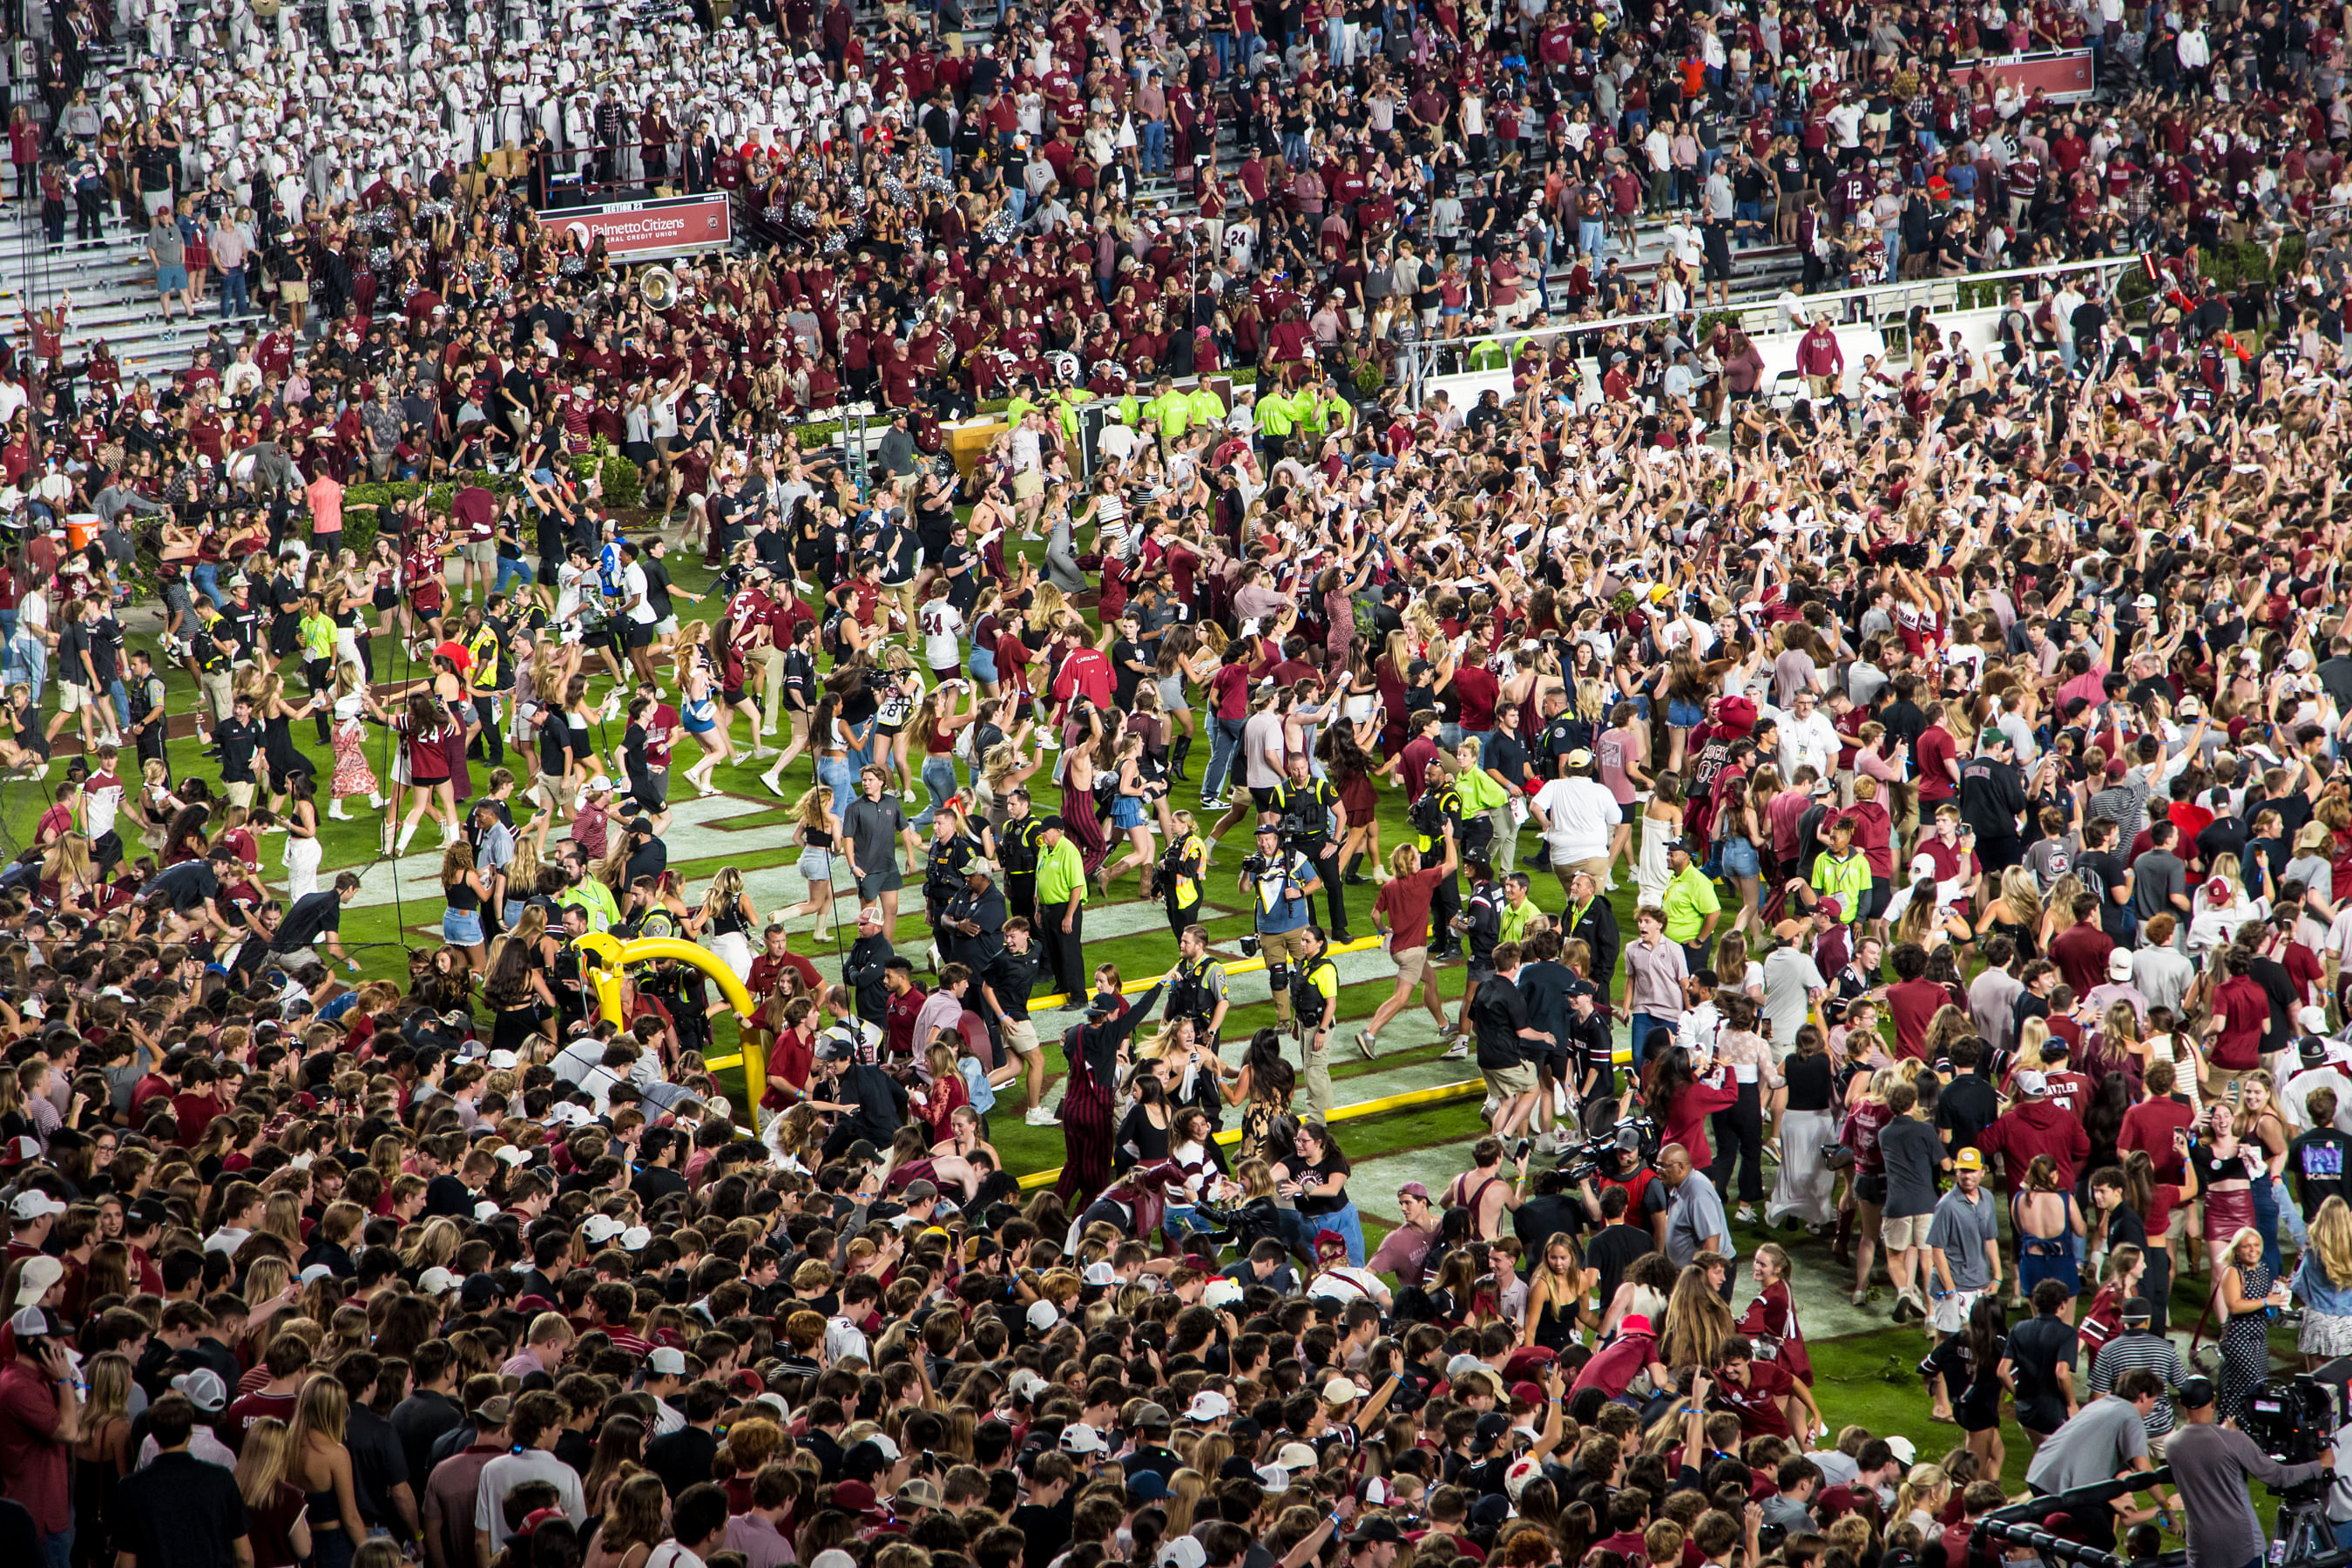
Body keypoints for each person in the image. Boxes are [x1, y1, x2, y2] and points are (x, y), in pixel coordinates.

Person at [2166, 1373, 2329, 1568]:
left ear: (2181, 1404)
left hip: (2201, 1549)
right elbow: (2279, 1476)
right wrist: (2321, 1464)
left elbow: (2204, 1448)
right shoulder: (2233, 1441)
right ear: (2212, 1402)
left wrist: (2227, 1434)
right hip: (2240, 1546)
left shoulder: (2171, 1445)